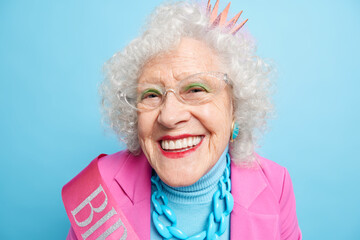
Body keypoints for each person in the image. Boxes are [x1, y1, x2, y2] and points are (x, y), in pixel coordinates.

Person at [62, 0, 302, 239]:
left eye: (196, 90)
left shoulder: (275, 185)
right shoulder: (97, 190)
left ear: (235, 109)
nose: (169, 116)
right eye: (152, 94)